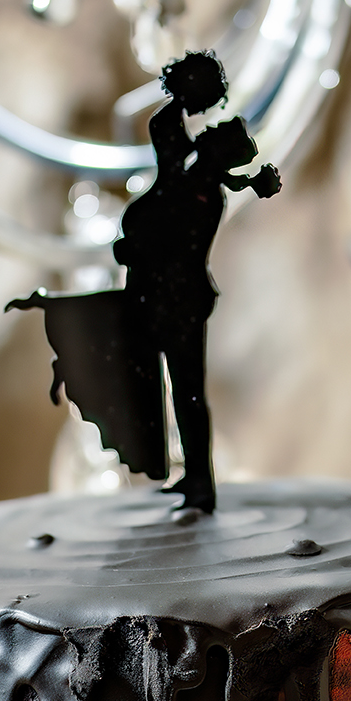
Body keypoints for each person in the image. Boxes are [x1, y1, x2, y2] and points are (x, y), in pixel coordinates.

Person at [113, 51, 281, 512]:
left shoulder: (198, 189)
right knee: (177, 389)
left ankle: (199, 479)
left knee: (187, 389)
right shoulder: (180, 159)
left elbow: (200, 173)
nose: (211, 118)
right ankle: (193, 476)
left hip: (180, 295)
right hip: (169, 290)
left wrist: (242, 178)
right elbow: (189, 174)